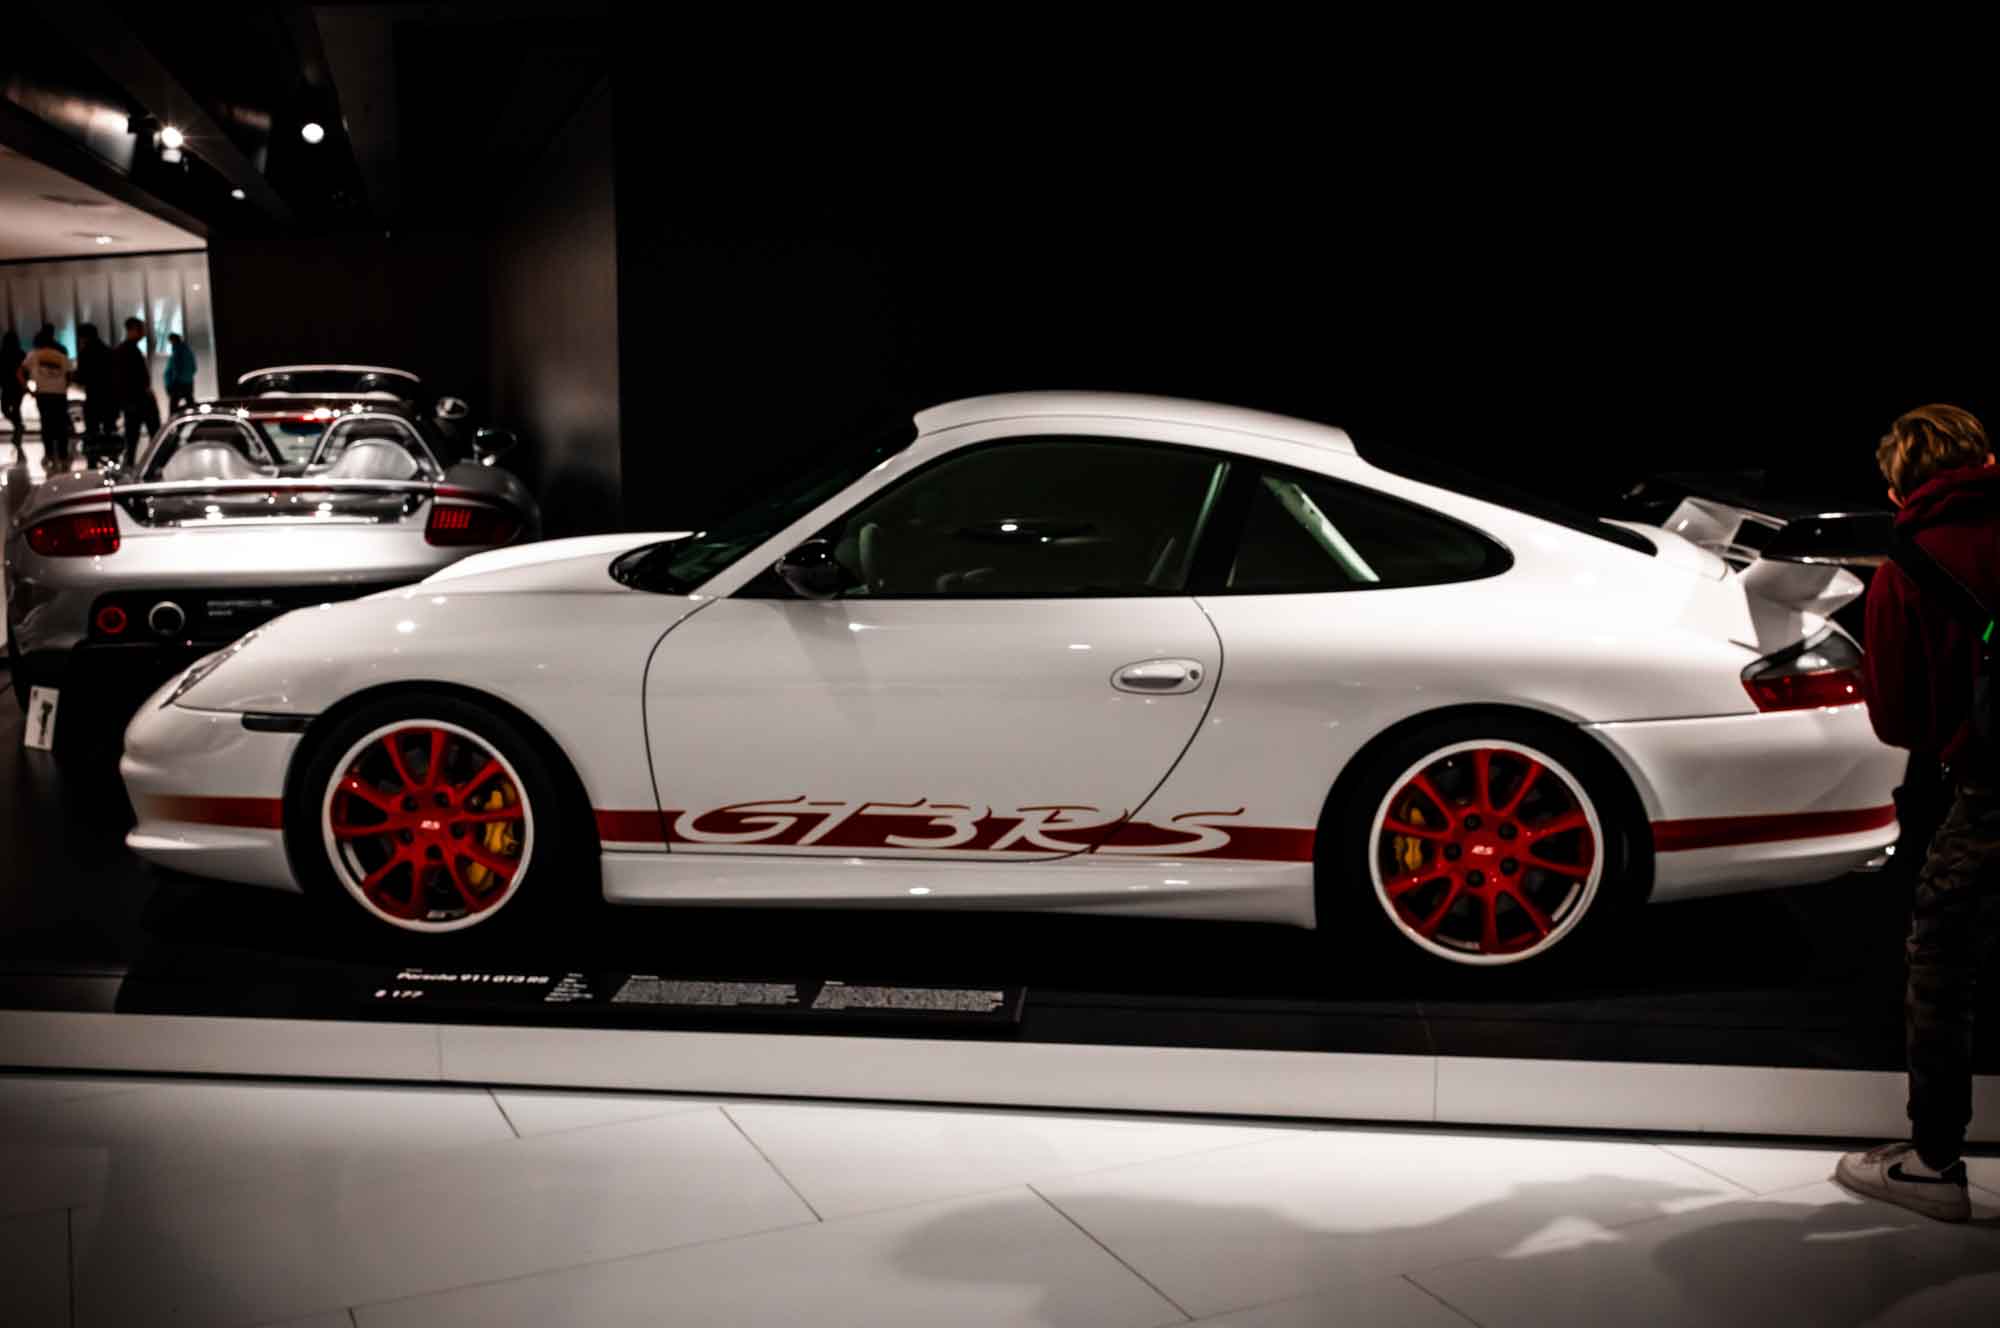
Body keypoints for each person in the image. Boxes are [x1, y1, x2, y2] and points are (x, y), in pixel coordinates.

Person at [1835, 403, 2000, 1223]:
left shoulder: (1907, 567)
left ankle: (1934, 1163)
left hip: (1993, 792)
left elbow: (1896, 719)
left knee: (1943, 956)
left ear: (1899, 485)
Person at [17, 329, 73, 468]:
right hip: (59, 394)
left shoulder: (34, 355)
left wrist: (28, 389)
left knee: (46, 424)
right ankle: (63, 454)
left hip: (43, 393)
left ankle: (49, 454)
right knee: (61, 425)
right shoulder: (60, 356)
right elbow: (69, 374)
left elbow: (19, 372)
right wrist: (64, 386)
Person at [112, 316, 159, 464]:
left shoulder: (125, 350)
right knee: (149, 433)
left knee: (132, 437)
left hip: (133, 401)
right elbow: (129, 378)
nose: (143, 333)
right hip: (138, 400)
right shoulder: (128, 350)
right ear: (132, 330)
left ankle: (132, 464)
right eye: (141, 330)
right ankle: (152, 463)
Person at [74, 322, 115, 441]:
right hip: (109, 394)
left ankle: (94, 450)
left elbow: (82, 377)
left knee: (92, 429)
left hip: (93, 395)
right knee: (109, 428)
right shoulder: (107, 350)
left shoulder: (85, 353)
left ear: (84, 337)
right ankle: (110, 449)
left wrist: (75, 377)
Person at [1, 330, 24, 462]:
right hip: (18, 386)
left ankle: (18, 427)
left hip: (6, 386)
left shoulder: (2, 353)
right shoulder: (21, 353)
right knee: (16, 408)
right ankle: (18, 427)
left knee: (5, 409)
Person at [164, 332, 197, 412]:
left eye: (170, 342)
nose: (170, 344)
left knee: (173, 407)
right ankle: (193, 418)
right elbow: (194, 368)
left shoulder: (177, 352)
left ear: (173, 341)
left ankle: (176, 420)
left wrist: (171, 383)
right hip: (188, 382)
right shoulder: (188, 351)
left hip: (178, 383)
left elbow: (176, 368)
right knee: (190, 404)